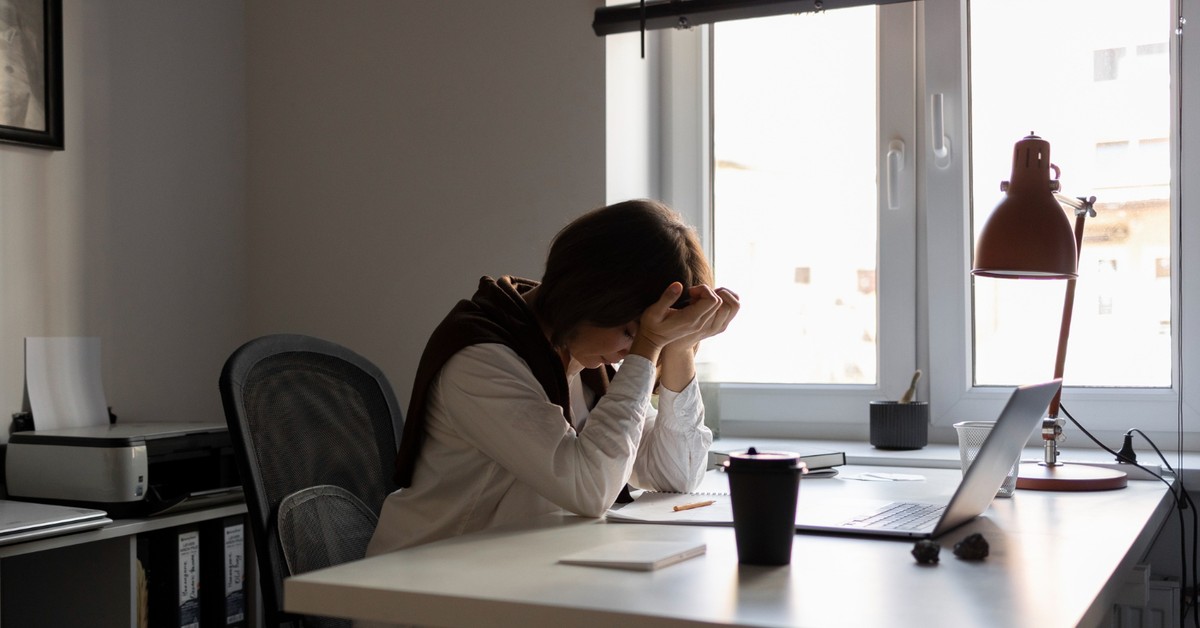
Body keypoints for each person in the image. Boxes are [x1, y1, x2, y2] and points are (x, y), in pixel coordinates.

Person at [367, 199, 739, 554]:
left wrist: (678, 346)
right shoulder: (482, 359)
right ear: (591, 296)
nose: (632, 351)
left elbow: (675, 477)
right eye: (630, 331)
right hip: (423, 589)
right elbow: (590, 489)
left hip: (511, 576)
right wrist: (649, 344)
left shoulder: (582, 361)